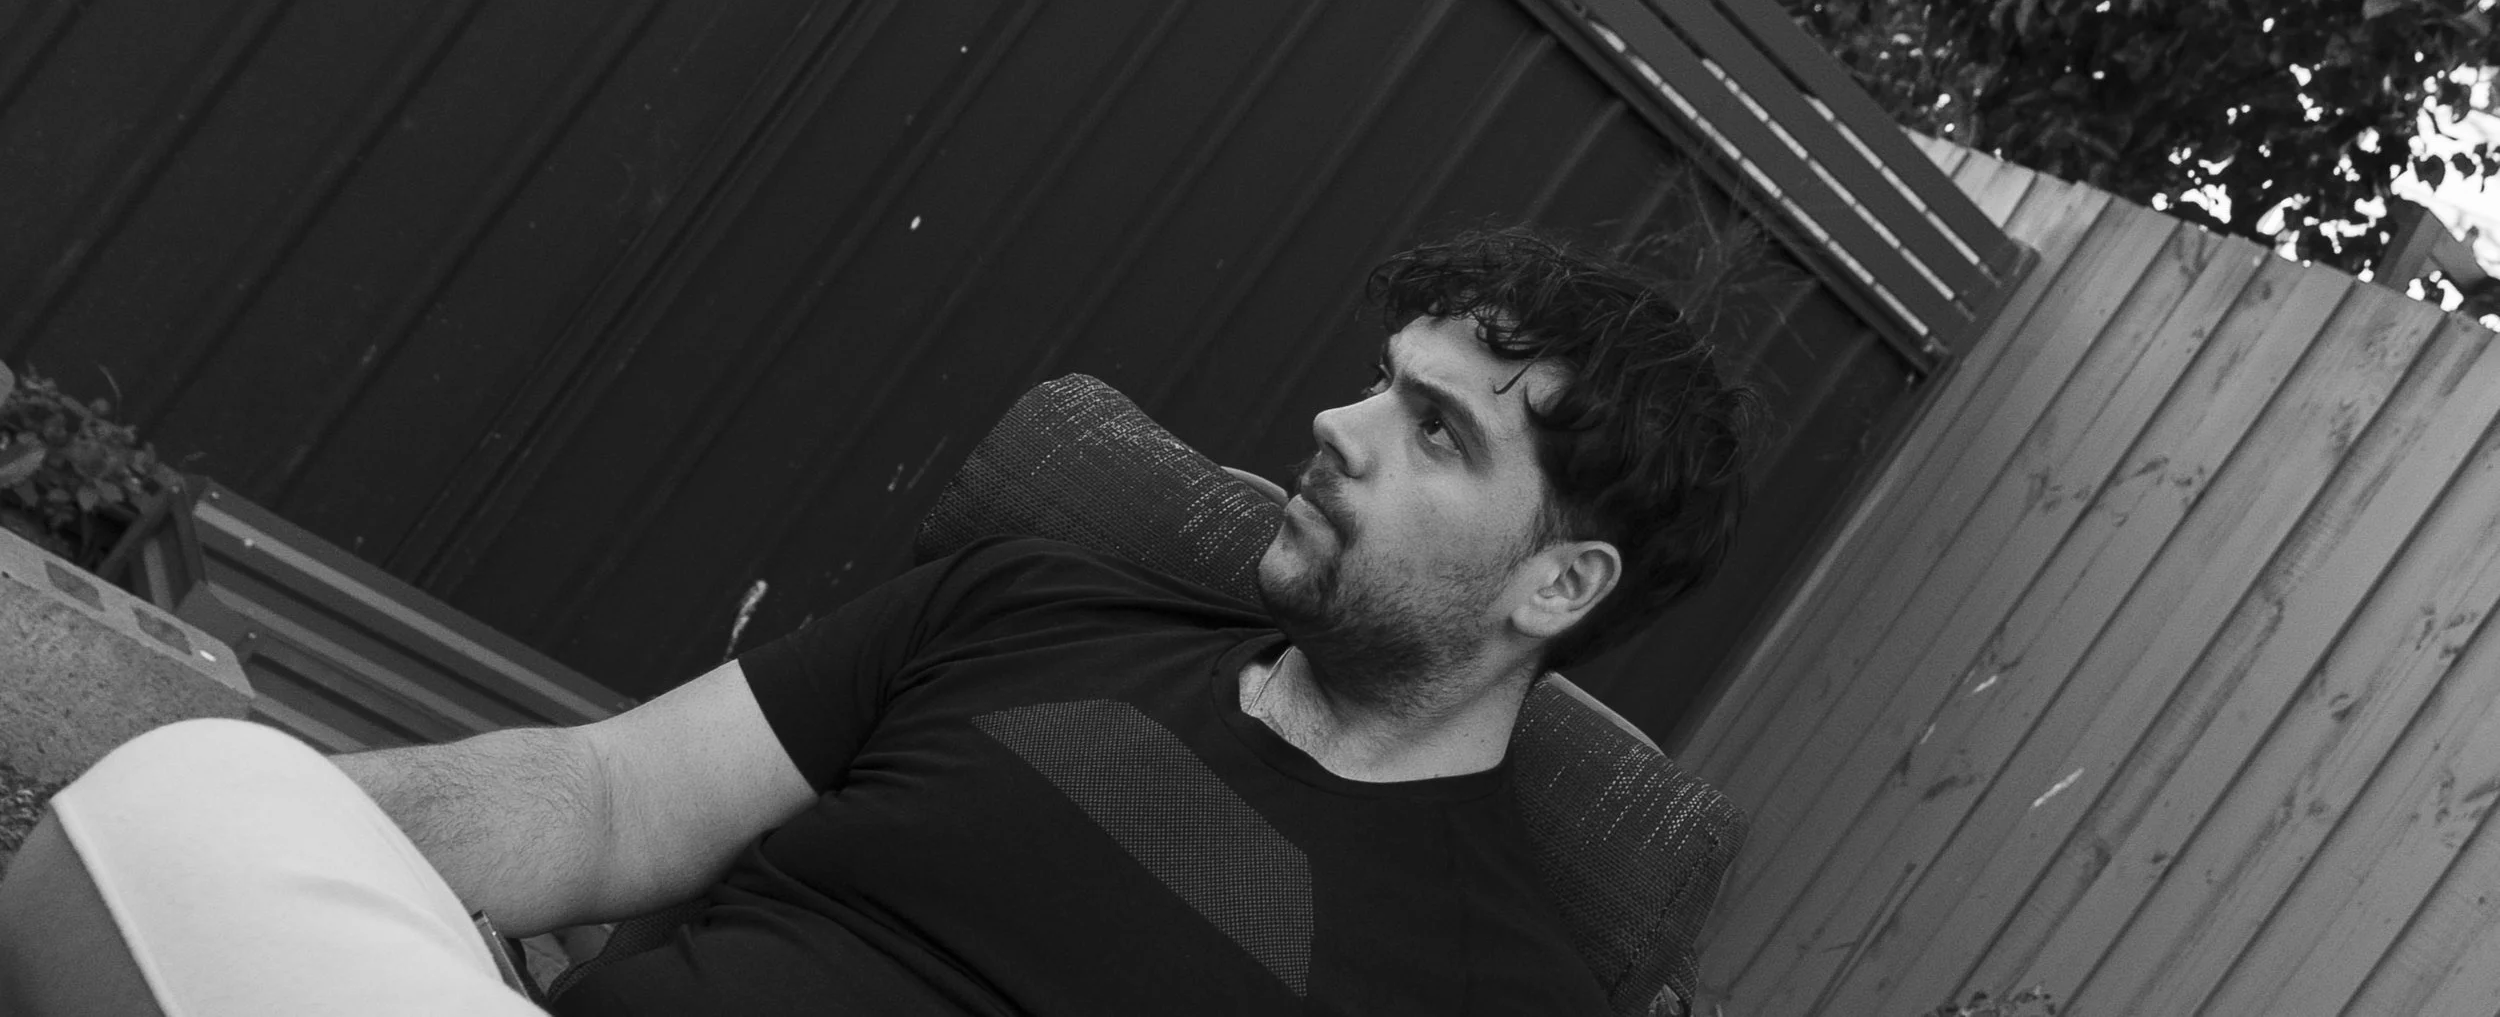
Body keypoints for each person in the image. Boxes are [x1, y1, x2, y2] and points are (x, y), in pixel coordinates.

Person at [0, 228, 1749, 1017]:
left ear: (1561, 583)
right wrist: (308, 830)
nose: (1339, 425)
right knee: (188, 794)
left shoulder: (1498, 989)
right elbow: (607, 800)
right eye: (1385, 381)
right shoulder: (1048, 599)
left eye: (1435, 431)